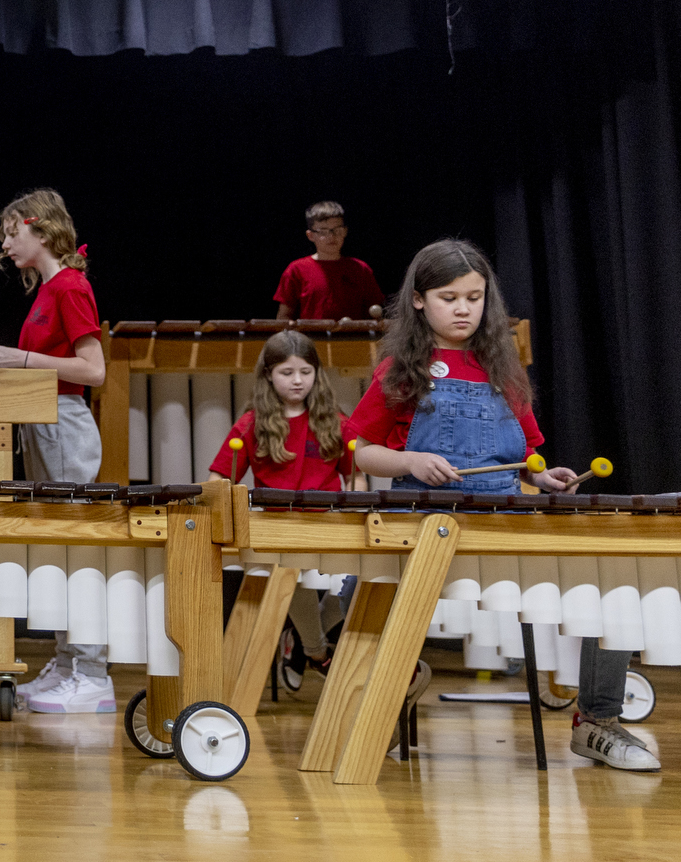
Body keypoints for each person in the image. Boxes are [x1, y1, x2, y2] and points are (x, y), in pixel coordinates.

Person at [350, 239, 655, 772]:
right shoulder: (404, 366)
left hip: (505, 514)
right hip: (430, 522)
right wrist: (411, 461)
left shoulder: (500, 365)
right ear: (419, 301)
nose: (464, 308)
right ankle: (387, 687)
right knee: (372, 598)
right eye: (449, 297)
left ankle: (597, 723)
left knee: (613, 581)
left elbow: (528, 453)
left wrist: (547, 474)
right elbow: (361, 448)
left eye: (474, 296)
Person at [0, 189, 114, 715]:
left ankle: (93, 673)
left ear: (43, 231)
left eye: (13, 232)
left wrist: (21, 358)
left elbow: (93, 370)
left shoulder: (71, 287)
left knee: (75, 551)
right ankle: (68, 663)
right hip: (44, 426)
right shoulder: (50, 289)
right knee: (58, 551)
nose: (6, 244)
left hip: (65, 426)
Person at [208, 330, 353, 676]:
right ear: (269, 375)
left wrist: (354, 510)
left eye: (305, 371)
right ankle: (316, 652)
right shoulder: (252, 424)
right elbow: (219, 479)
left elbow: (355, 476)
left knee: (360, 584)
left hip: (329, 525)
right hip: (279, 529)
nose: (298, 381)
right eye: (286, 373)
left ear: (317, 373)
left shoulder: (334, 420)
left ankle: (301, 637)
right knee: (290, 572)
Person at [274, 201, 387, 322]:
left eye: (337, 230)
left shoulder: (361, 269)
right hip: (311, 339)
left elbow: (376, 315)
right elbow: (284, 318)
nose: (331, 237)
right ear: (310, 235)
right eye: (323, 231)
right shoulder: (296, 270)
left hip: (353, 340)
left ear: (345, 231)